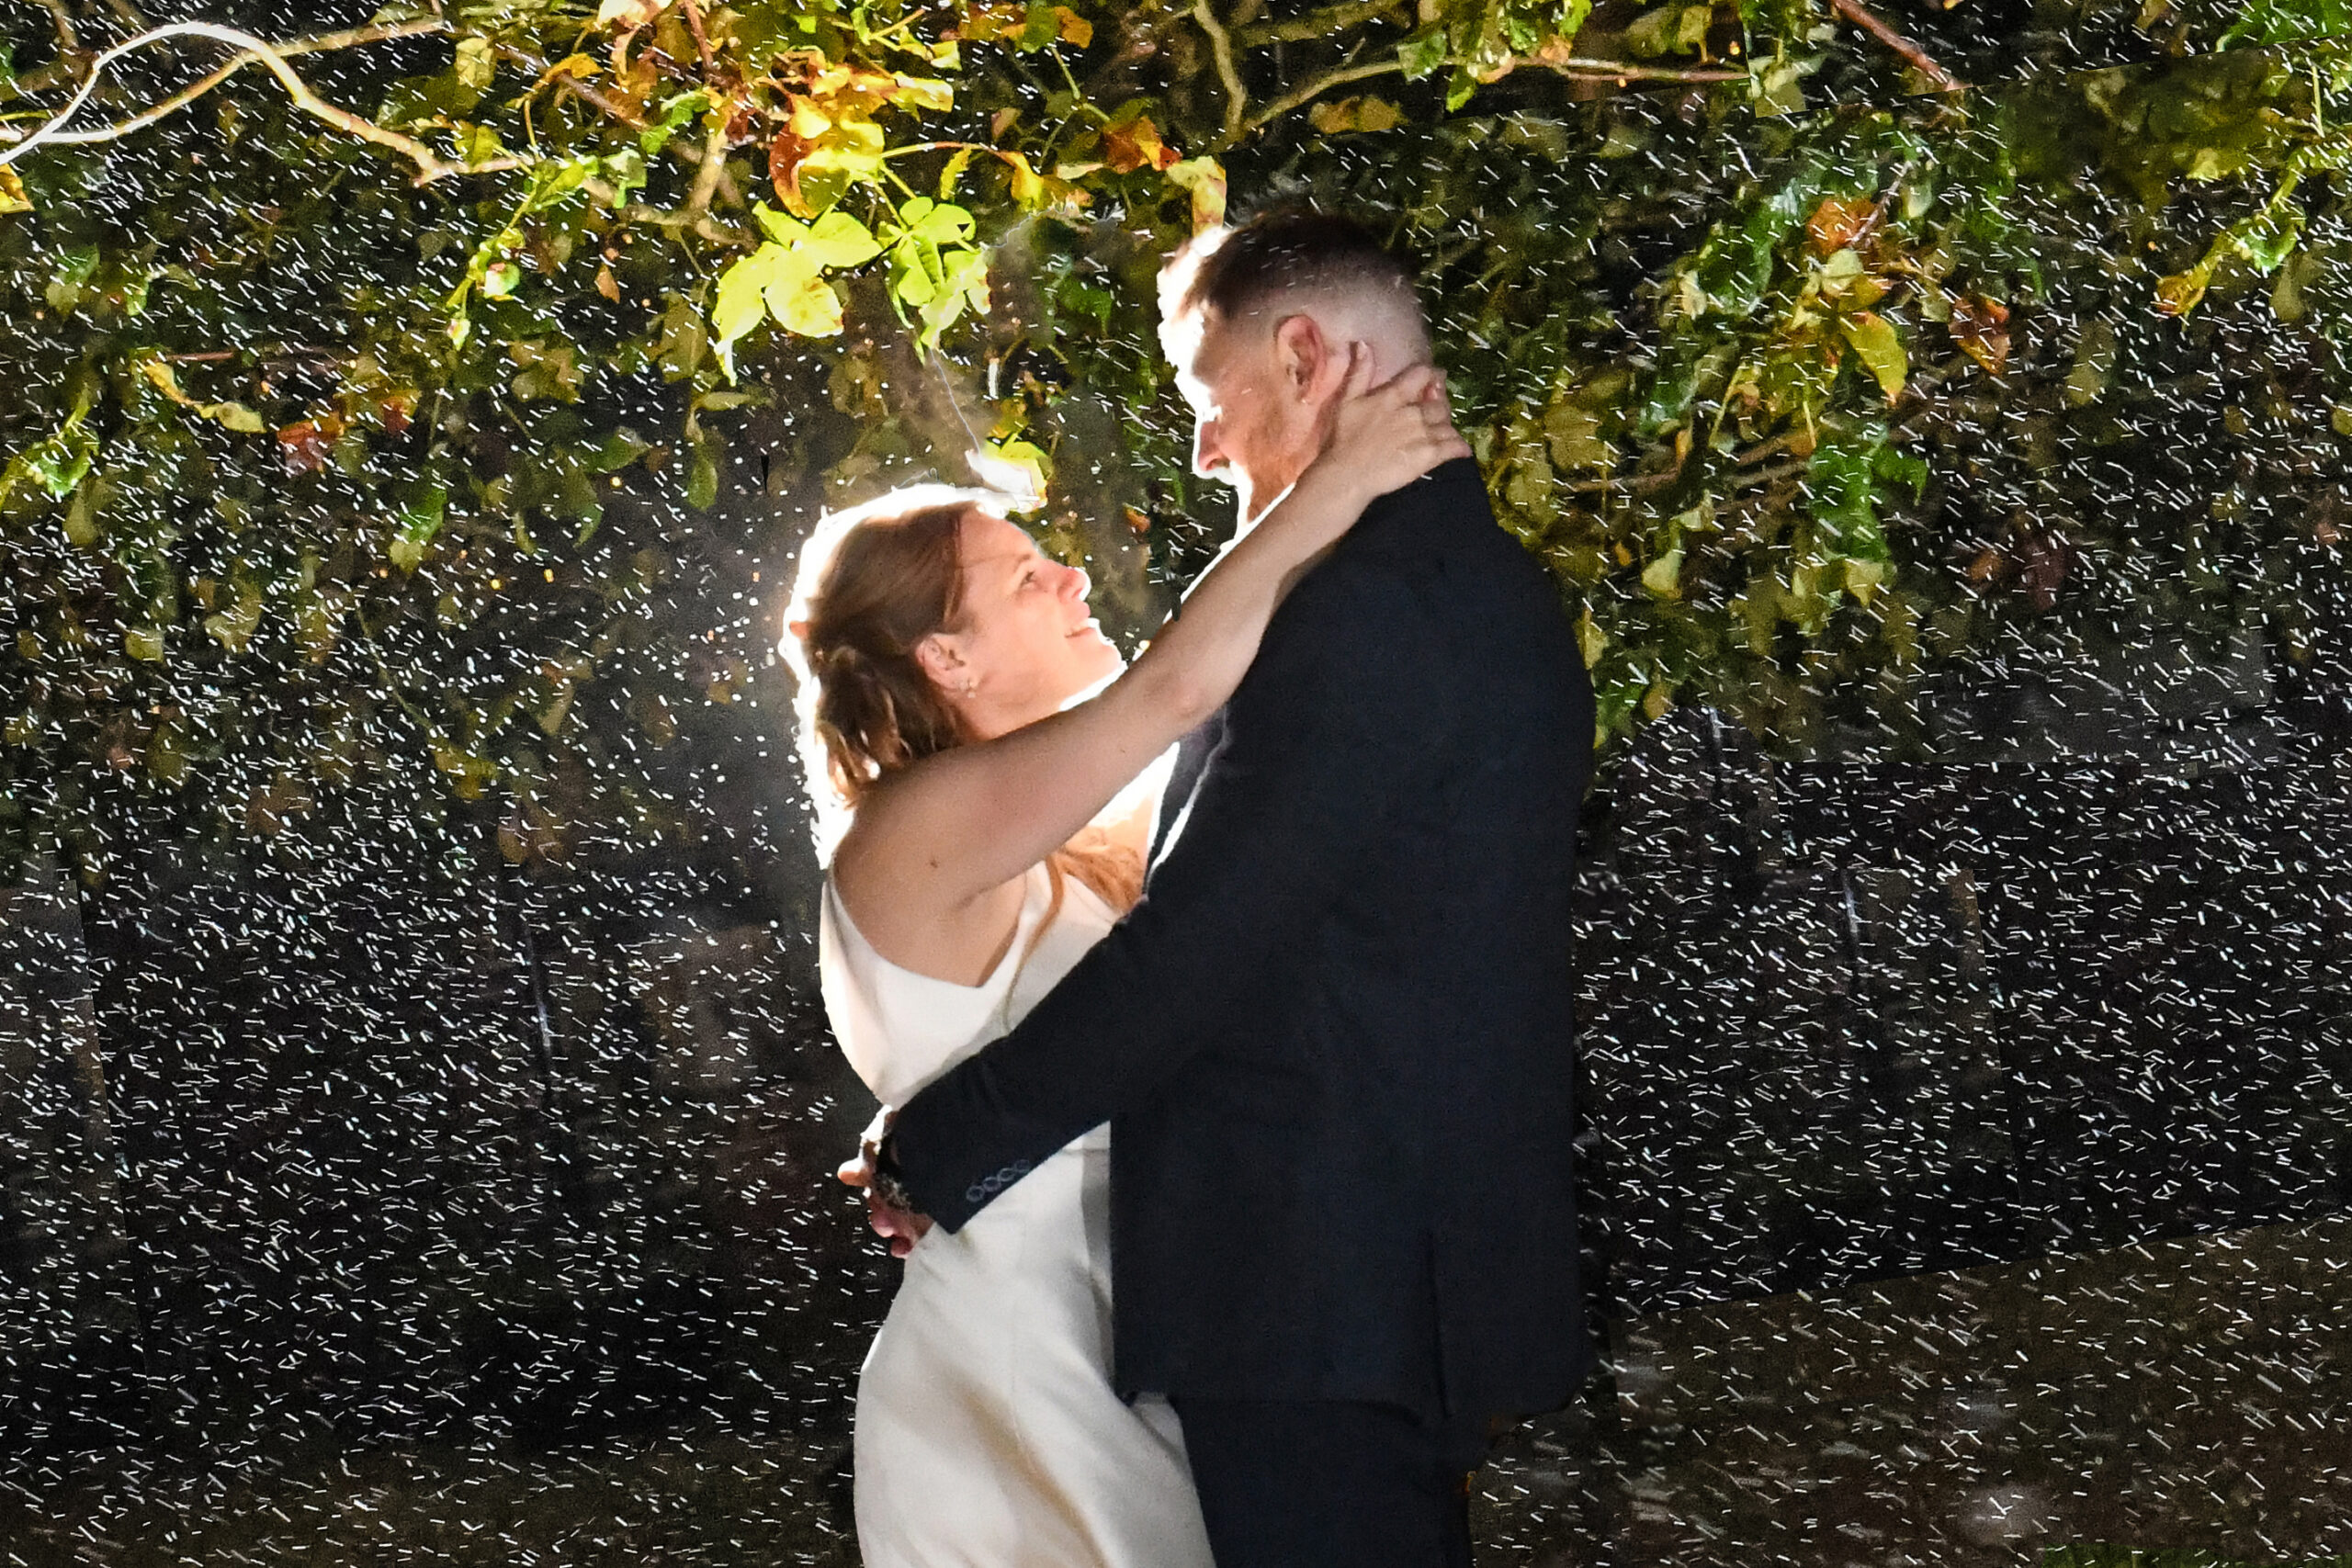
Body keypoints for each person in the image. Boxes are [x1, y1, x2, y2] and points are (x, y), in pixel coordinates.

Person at [861, 209, 1600, 1568]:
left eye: (1210, 398)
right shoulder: (1465, 586)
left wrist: (943, 1141)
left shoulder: (1372, 612)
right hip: (1378, 1264)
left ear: (1305, 355)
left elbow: (1204, 949)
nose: (1202, 445)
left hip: (1320, 1279)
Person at [786, 351, 1467, 1568]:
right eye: (1023, 575)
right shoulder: (911, 828)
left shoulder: (1075, 828)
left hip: (1145, 1338)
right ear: (947, 659)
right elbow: (1177, 687)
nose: (1073, 576)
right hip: (1024, 1382)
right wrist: (1338, 481)